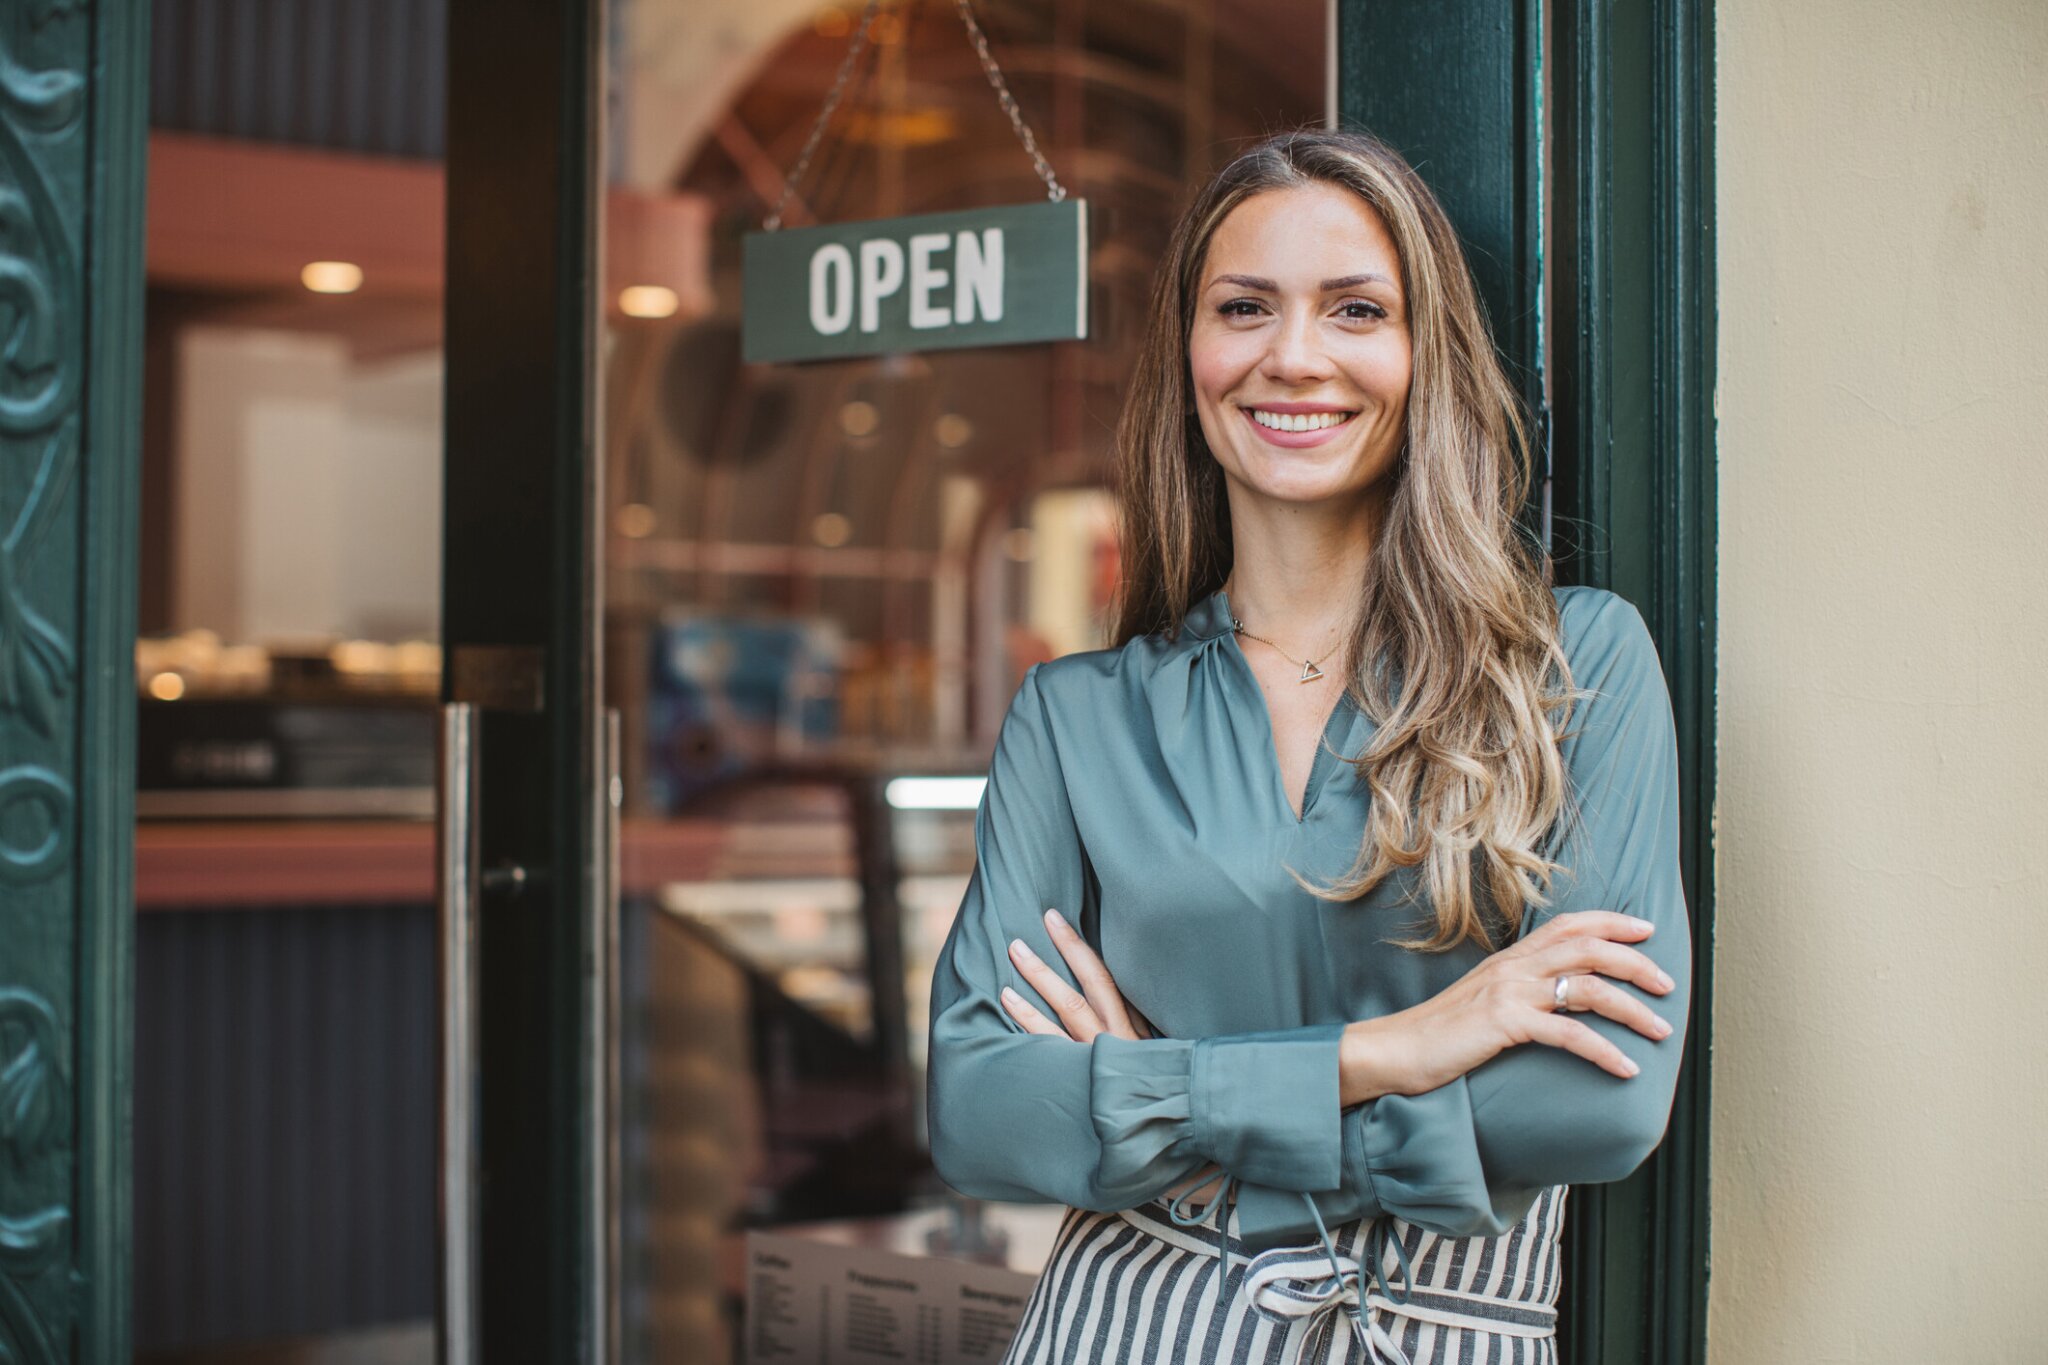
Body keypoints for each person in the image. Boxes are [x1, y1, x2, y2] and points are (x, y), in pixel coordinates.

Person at [924, 126, 1690, 1364]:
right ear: (1188, 357)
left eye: (1353, 310)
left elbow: (1593, 1103)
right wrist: (1396, 1049)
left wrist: (1159, 1091)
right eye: (1243, 307)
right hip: (1126, 1331)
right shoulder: (1074, 718)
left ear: (1419, 351)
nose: (1292, 357)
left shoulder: (1573, 669)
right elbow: (980, 1113)